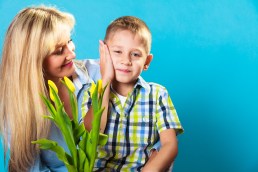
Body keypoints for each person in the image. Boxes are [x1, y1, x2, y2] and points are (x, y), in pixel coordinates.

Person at [0, 6, 112, 171]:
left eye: (69, 41)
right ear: (34, 61)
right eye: (59, 51)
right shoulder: (16, 111)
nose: (72, 54)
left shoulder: (96, 72)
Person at [93, 16, 184, 171]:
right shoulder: (93, 92)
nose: (126, 60)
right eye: (117, 51)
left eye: (135, 54)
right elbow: (91, 134)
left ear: (147, 61)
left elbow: (170, 145)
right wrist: (106, 80)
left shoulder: (157, 94)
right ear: (104, 54)